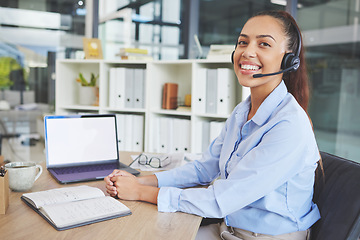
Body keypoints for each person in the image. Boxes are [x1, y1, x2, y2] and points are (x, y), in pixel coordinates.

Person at [105, 10, 321, 240]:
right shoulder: (242, 111)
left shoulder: (289, 125)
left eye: (264, 44)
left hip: (267, 236)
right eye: (242, 42)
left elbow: (221, 200)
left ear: (289, 59)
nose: (247, 52)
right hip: (229, 228)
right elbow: (204, 169)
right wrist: (141, 180)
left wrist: (140, 192)